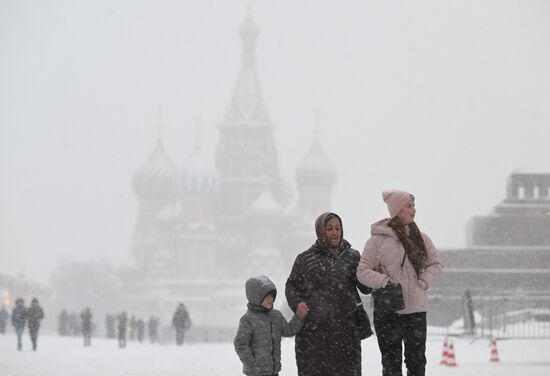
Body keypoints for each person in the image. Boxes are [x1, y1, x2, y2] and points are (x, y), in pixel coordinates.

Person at [357, 190, 443, 376]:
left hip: (415, 311)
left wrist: (423, 282)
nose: (414, 210)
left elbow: (435, 264)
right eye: (409, 206)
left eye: (414, 206)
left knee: (417, 364)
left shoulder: (421, 238)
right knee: (390, 366)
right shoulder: (376, 241)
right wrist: (385, 282)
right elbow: (362, 271)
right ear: (397, 210)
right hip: (388, 312)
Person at [286, 212, 372, 376]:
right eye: (329, 228)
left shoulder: (352, 257)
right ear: (320, 231)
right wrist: (297, 304)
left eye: (338, 228)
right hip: (313, 334)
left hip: (345, 334)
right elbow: (291, 286)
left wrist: (373, 273)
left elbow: (365, 288)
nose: (335, 232)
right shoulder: (304, 259)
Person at [234, 275, 308, 376]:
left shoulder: (276, 315)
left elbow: (289, 330)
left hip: (274, 371)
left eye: (272, 296)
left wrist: (299, 316)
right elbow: (240, 344)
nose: (271, 299)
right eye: (266, 296)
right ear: (255, 297)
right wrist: (252, 364)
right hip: (256, 373)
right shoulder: (248, 319)